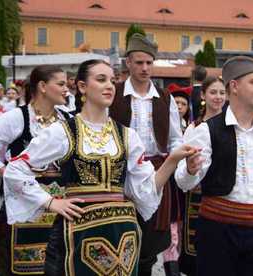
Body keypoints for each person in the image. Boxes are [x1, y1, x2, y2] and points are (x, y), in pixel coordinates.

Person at [2, 59, 198, 276]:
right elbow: (16, 169)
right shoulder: (64, 131)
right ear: (82, 87)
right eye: (101, 79)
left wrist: (172, 160)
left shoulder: (126, 135)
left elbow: (145, 191)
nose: (109, 86)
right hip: (78, 234)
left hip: (122, 236)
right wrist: (50, 202)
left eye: (113, 81)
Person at [175, 56, 253, 276]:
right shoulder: (206, 131)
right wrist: (190, 170)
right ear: (234, 86)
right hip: (218, 234)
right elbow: (182, 181)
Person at [0, 65, 71, 275]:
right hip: (26, 208)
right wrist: (10, 173)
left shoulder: (68, 120)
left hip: (60, 208)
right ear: (43, 86)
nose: (66, 89)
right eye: (61, 84)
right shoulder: (16, 117)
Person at [109, 33, 183, 276]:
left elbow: (175, 139)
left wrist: (175, 168)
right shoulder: (115, 93)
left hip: (157, 172)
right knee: (120, 231)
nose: (144, 68)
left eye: (149, 63)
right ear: (128, 62)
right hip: (121, 171)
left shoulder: (164, 98)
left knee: (152, 236)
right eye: (139, 62)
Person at [178, 75, 226, 276]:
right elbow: (184, 162)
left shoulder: (232, 125)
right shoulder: (194, 127)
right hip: (198, 192)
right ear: (204, 95)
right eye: (213, 92)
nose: (218, 97)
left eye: (222, 92)